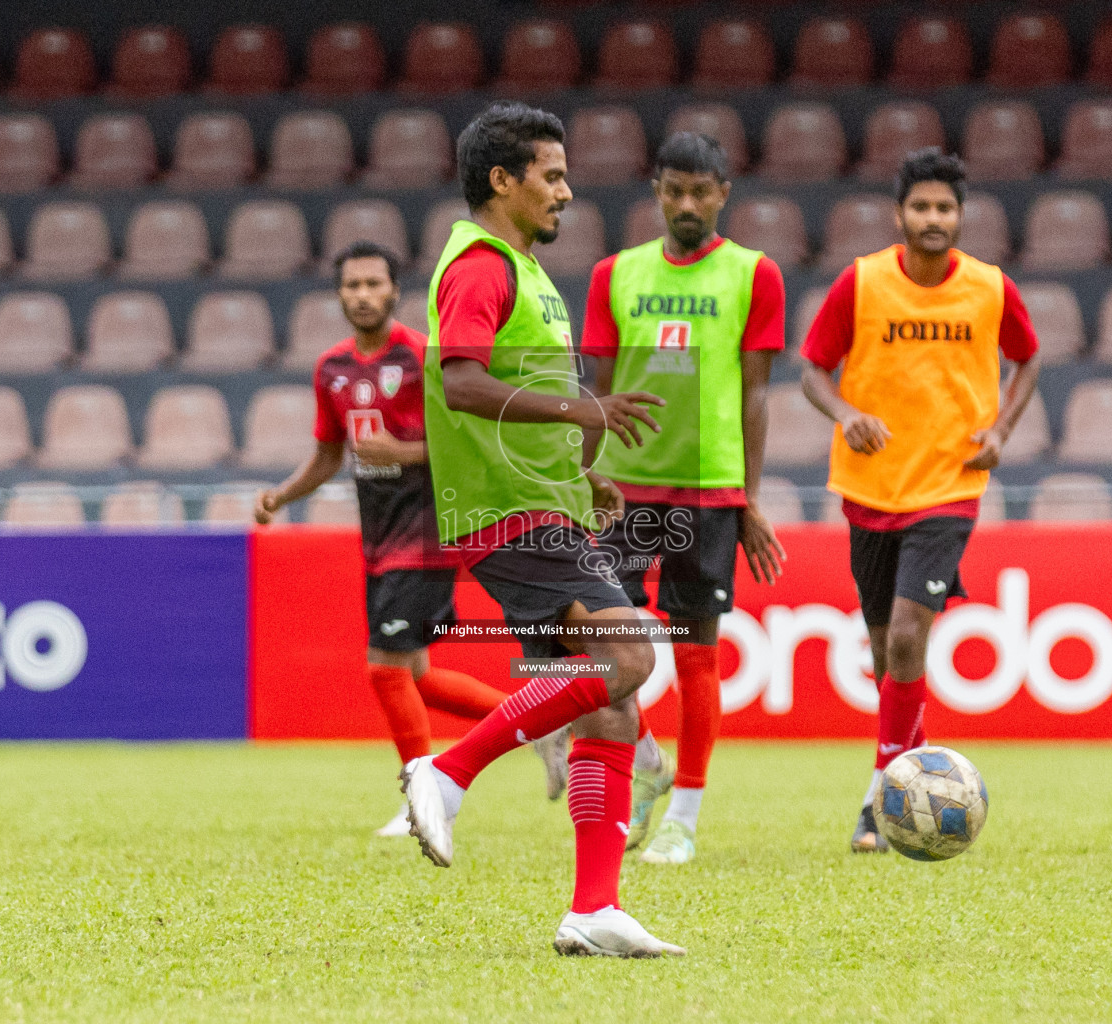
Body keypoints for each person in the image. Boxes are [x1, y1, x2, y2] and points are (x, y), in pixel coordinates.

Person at [403, 100, 685, 957]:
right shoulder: (482, 266)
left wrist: (581, 467)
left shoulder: (523, 271)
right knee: (632, 652)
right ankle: (447, 771)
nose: (567, 191)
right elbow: (462, 384)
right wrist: (584, 407)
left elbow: (516, 408)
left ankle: (594, 910)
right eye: (552, 175)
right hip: (506, 510)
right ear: (503, 180)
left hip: (543, 500)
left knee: (614, 702)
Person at [254, 241, 569, 837]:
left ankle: (422, 794)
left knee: (383, 669)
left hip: (427, 531)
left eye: (374, 284)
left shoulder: (423, 357)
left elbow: (467, 443)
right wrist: (282, 495)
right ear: (339, 295)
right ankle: (541, 723)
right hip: (377, 536)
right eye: (352, 286)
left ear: (396, 291)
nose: (363, 295)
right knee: (415, 674)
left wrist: (399, 453)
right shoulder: (332, 369)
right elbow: (328, 454)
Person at [799, 148, 1041, 852]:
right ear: (900, 213)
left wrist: (1000, 429)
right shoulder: (863, 282)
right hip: (870, 486)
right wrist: (845, 414)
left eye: (945, 208)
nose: (934, 218)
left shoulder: (990, 287)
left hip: (950, 483)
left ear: (960, 216)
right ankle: (915, 774)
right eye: (922, 207)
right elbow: (812, 367)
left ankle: (880, 796)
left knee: (908, 636)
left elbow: (1028, 356)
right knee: (883, 648)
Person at [579, 132, 787, 866]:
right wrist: (584, 474)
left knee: (697, 656)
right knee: (594, 638)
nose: (688, 204)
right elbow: (596, 394)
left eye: (702, 191)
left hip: (708, 490)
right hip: (623, 490)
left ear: (724, 193)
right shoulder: (614, 275)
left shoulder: (754, 275)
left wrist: (749, 496)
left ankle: (684, 819)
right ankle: (646, 758)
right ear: (657, 191)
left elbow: (757, 394)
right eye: (675, 190)